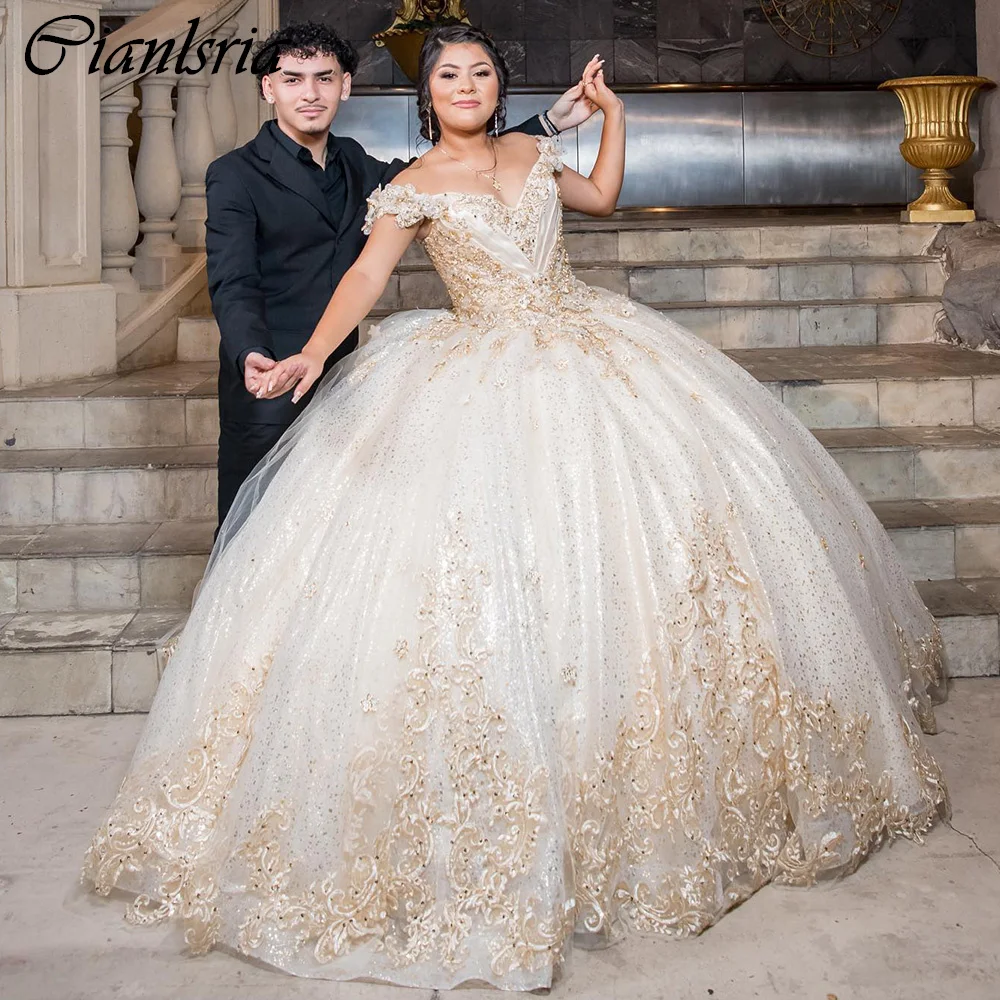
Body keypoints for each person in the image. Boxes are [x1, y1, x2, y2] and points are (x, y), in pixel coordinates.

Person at [82, 24, 949, 992]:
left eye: (479, 72)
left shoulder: (532, 150)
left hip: (590, 348)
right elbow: (366, 276)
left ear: (499, 88)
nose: (464, 84)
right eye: (446, 73)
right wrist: (312, 355)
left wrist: (607, 114)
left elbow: (604, 195)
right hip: (473, 368)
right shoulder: (404, 184)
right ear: (427, 95)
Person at [206, 21, 601, 531]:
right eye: (293, 79)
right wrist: (249, 351)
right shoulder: (234, 172)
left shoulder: (356, 162)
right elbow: (232, 279)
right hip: (269, 366)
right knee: (251, 519)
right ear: (268, 88)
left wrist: (547, 123)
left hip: (339, 366)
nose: (310, 93)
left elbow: (454, 172)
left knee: (326, 520)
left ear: (345, 85)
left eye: (324, 78)